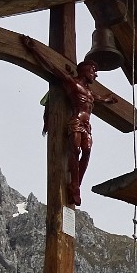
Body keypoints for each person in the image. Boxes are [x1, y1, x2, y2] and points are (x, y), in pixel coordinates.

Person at [21, 35, 109, 206]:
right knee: (75, 150)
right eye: (93, 71)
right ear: (84, 71)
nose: (96, 75)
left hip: (87, 125)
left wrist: (108, 100)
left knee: (87, 151)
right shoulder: (73, 84)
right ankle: (73, 187)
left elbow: (99, 99)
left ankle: (77, 185)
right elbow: (53, 68)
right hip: (76, 121)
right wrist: (34, 50)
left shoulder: (91, 93)